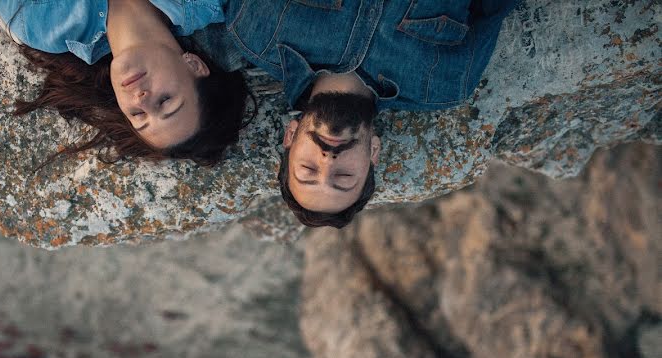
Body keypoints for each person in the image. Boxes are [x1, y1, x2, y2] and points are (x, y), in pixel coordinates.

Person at [207, 0, 519, 227]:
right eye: (343, 177)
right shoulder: (443, 83)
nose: (328, 161)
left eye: (308, 170)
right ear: (373, 151)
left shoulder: (256, 33)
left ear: (290, 135)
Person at [0, 0, 254, 165]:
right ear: (194, 65)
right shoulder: (208, 4)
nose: (141, 99)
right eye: (165, 100)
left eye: (138, 115)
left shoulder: (43, 26)